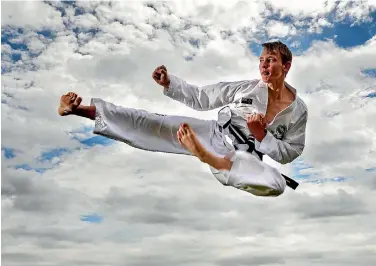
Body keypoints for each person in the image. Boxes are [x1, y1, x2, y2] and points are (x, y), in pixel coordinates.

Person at [58, 41, 308, 197]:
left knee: (276, 184)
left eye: (271, 61)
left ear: (286, 66)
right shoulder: (246, 88)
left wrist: (261, 134)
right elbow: (202, 98)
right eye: (261, 61)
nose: (263, 66)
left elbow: (290, 153)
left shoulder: (298, 111)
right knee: (154, 123)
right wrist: (169, 83)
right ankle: (77, 110)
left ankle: (205, 156)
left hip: (243, 157)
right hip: (215, 133)